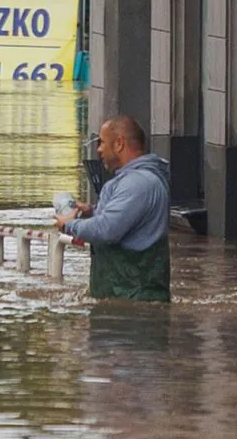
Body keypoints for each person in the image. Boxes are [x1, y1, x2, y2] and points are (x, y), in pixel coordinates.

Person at [54, 114, 171, 302]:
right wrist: (92, 212)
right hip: (124, 300)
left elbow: (107, 230)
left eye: (101, 143)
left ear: (119, 144)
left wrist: (69, 225)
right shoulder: (134, 181)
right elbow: (123, 222)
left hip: (133, 306)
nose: (99, 150)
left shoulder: (137, 184)